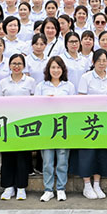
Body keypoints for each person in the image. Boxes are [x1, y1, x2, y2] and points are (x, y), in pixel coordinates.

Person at [75, 49, 107, 200]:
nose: (101, 63)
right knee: (88, 152)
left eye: (104, 60)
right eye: (98, 60)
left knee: (102, 152)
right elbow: (81, 99)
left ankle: (97, 184)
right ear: (93, 62)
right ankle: (87, 185)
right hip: (89, 120)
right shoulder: (86, 77)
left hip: (105, 120)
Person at [37, 56, 76, 202]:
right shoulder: (41, 86)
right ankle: (48, 189)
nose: (55, 70)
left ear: (63, 69)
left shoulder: (69, 86)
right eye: (53, 67)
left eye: (58, 67)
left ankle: (60, 188)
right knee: (47, 160)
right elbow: (35, 106)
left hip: (63, 127)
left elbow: (74, 106)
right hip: (46, 127)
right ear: (48, 69)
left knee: (62, 159)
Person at [0, 54, 36, 200]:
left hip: (25, 123)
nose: (16, 66)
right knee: (7, 156)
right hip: (7, 123)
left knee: (22, 156)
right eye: (13, 63)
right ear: (9, 65)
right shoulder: (3, 82)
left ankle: (21, 187)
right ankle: (8, 187)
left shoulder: (30, 81)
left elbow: (35, 101)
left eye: (19, 63)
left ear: (24, 66)